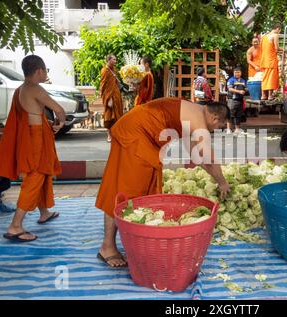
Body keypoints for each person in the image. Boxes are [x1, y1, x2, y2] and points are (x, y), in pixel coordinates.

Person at [95, 98, 231, 267]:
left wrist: (214, 176)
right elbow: (209, 159)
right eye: (220, 127)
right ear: (215, 118)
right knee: (123, 189)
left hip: (145, 139)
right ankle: (107, 246)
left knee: (144, 190)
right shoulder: (199, 122)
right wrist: (222, 182)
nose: (217, 130)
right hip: (134, 134)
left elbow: (196, 158)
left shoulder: (195, 115)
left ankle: (138, 240)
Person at [0, 55, 66, 242]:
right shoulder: (35, 88)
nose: (45, 74)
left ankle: (44, 212)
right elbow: (59, 109)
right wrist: (60, 123)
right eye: (45, 70)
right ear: (39, 71)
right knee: (35, 177)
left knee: (42, 174)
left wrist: (48, 122)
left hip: (32, 135)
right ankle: (15, 226)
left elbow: (30, 115)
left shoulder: (20, 89)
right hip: (35, 139)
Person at [100, 54, 124, 142]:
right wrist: (108, 98)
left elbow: (115, 82)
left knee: (118, 115)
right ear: (109, 60)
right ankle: (109, 135)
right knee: (109, 116)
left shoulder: (114, 70)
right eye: (114, 59)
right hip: (109, 97)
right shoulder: (104, 71)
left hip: (116, 95)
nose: (115, 61)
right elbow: (103, 86)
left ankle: (116, 134)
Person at [260, 24, 281, 100]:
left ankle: (263, 95)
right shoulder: (275, 35)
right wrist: (285, 50)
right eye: (279, 31)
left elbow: (261, 48)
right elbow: (277, 48)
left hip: (264, 59)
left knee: (265, 77)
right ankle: (270, 96)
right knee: (271, 77)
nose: (278, 33)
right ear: (278, 29)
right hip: (271, 60)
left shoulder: (264, 36)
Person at [226, 67, 247, 135]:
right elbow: (230, 89)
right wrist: (239, 91)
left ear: (241, 73)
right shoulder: (231, 80)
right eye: (235, 72)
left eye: (238, 72)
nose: (237, 74)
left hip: (240, 100)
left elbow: (246, 88)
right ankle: (228, 129)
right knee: (230, 115)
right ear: (233, 73)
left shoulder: (243, 80)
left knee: (238, 115)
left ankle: (237, 129)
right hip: (232, 100)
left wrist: (245, 90)